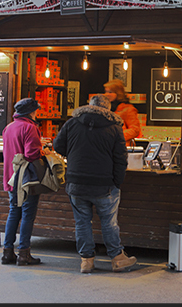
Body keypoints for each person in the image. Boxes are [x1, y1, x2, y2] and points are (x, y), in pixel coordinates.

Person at [53, 94, 137, 273]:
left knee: (82, 222)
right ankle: (117, 259)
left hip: (76, 182)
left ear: (89, 105)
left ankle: (86, 261)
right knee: (109, 222)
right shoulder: (114, 127)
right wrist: (117, 182)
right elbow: (121, 159)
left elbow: (58, 146)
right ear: (107, 109)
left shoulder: (72, 123)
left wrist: (76, 152)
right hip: (104, 184)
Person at [1, 98, 51, 265]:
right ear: (31, 111)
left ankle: (7, 252)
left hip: (11, 177)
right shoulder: (30, 127)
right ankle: (24, 254)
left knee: (14, 212)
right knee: (28, 215)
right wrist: (43, 151)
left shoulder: (8, 127)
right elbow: (31, 154)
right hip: (26, 179)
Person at [103, 79, 142, 144]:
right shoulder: (105, 108)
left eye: (110, 92)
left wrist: (116, 135)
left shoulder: (127, 109)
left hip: (122, 148)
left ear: (118, 93)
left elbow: (135, 130)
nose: (107, 94)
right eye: (106, 92)